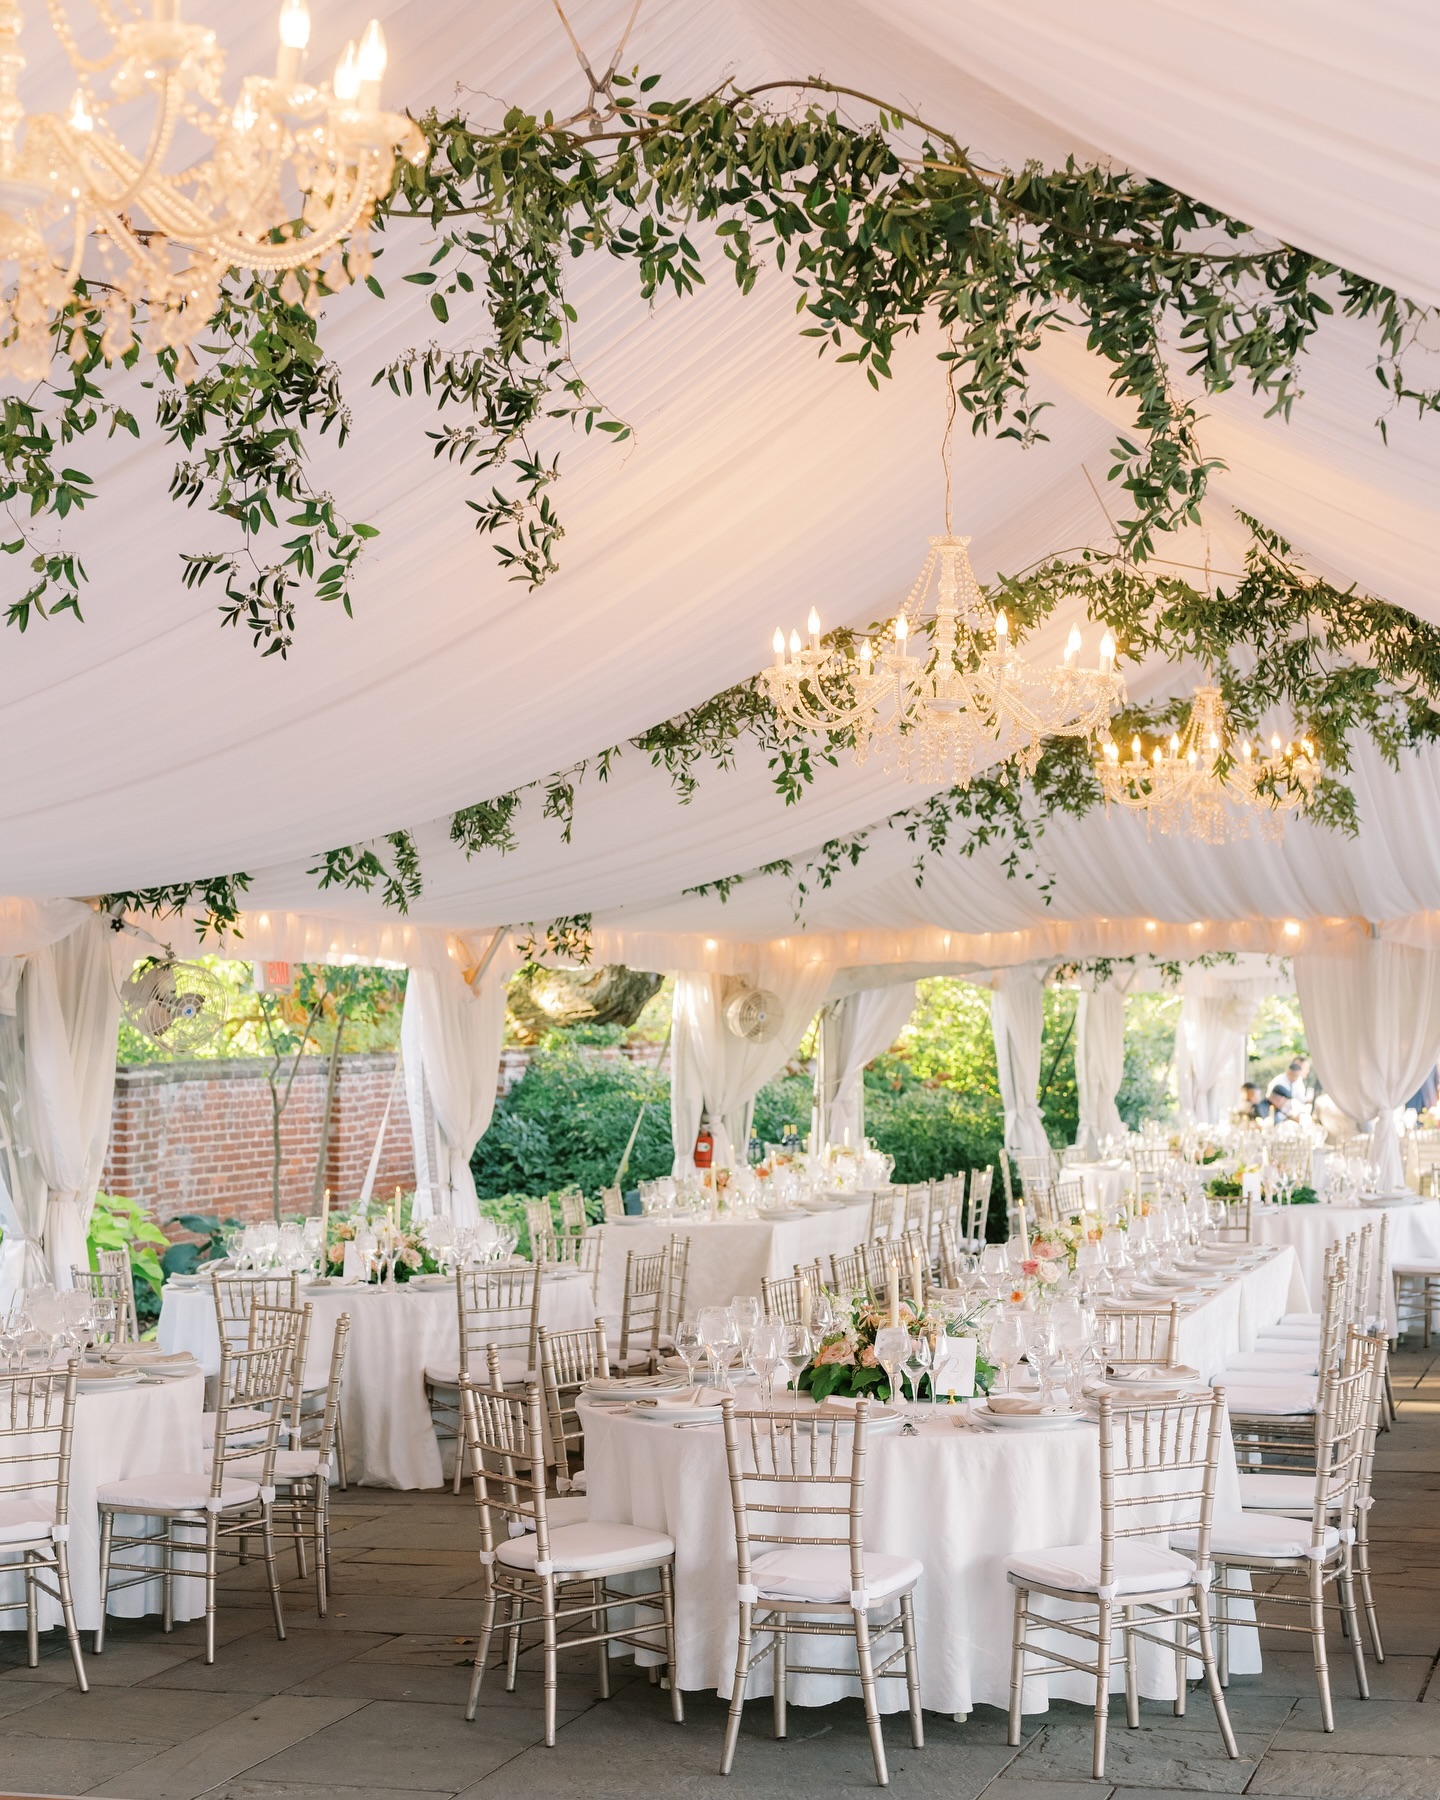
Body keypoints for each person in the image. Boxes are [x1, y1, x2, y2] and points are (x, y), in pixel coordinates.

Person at [1267, 1056, 1310, 1121]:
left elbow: (1300, 1098)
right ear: (1288, 1072)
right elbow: (1273, 1100)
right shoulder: (1278, 1082)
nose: (1296, 1078)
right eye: (1295, 1076)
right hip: (1277, 1113)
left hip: (1294, 1111)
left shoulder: (1298, 1080)